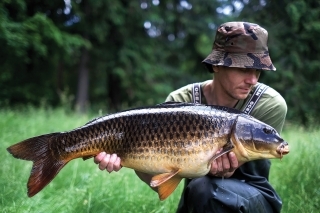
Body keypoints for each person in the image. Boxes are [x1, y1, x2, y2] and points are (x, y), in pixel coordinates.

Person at [94, 21, 287, 213]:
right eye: (245, 69)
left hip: (254, 198)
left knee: (207, 188)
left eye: (258, 70)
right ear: (217, 65)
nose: (252, 80)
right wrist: (124, 156)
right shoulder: (180, 100)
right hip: (197, 198)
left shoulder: (270, 104)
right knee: (202, 188)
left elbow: (230, 167)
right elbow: (158, 180)